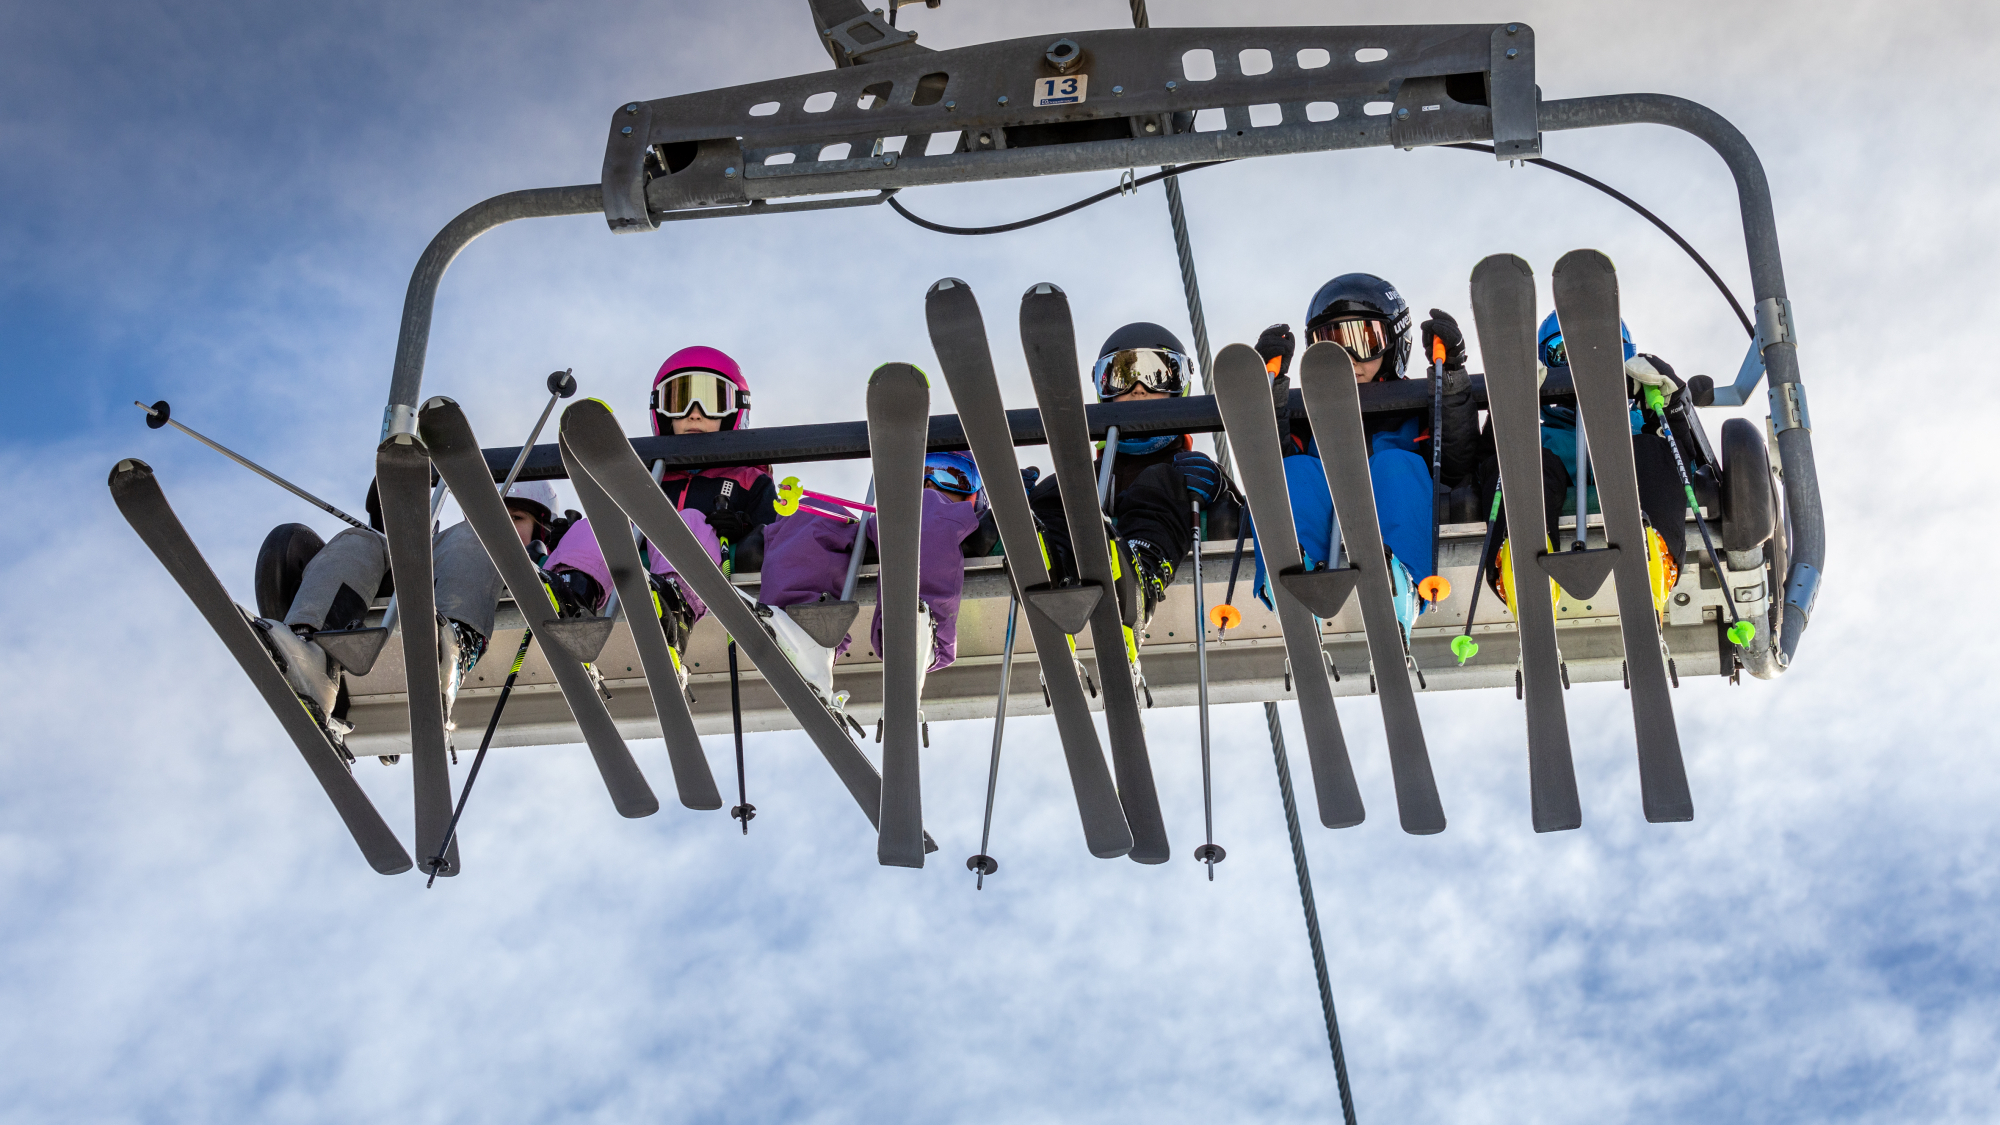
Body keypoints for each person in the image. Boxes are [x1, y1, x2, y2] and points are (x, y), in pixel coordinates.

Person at [255, 478, 570, 753]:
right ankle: (311, 653)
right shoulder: (458, 546)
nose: (506, 524)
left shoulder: (549, 561)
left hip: (489, 600)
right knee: (359, 540)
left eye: (516, 517)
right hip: (425, 593)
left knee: (481, 535)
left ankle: (453, 650)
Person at [1250, 273, 1478, 631]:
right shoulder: (1305, 416)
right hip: (1326, 513)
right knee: (1294, 472)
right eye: (1334, 345)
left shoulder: (1415, 405)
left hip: (1395, 509)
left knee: (1394, 464)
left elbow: (1456, 461)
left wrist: (1449, 377)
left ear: (1393, 342)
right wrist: (1270, 391)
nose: (1352, 358)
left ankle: (1399, 581)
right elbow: (1267, 463)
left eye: (1364, 340)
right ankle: (1296, 574)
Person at [540, 345, 774, 658]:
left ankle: (674, 605)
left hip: (704, 563)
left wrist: (743, 526)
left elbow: (775, 533)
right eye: (679, 400)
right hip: (636, 557)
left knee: (688, 520)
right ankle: (573, 590)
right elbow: (615, 527)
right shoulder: (643, 477)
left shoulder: (749, 478)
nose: (694, 411)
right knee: (596, 524)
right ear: (661, 411)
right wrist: (565, 541)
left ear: (735, 409)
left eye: (711, 401)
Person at [1470, 314, 1696, 615]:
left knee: (1650, 449)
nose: (1580, 366)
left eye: (1601, 353)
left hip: (1626, 474)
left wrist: (1672, 408)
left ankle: (1651, 563)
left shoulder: (1642, 425)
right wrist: (1508, 407)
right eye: (1563, 354)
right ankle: (1523, 571)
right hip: (1549, 478)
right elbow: (1482, 468)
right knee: (1524, 464)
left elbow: (1684, 467)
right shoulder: (1532, 432)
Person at [1027, 322, 1233, 639]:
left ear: (1180, 389)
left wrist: (1221, 489)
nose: (1138, 388)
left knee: (1160, 479)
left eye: (1155, 377)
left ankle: (1139, 577)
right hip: (1086, 516)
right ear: (1103, 391)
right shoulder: (1087, 476)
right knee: (1060, 490)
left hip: (1157, 530)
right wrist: (1016, 506)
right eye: (1122, 378)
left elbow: (1241, 523)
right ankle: (1054, 566)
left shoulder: (1186, 470)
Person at [755, 450, 995, 705]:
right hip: (882, 527)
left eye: (951, 474)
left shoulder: (943, 511)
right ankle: (804, 630)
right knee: (813, 513)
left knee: (925, 506)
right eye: (917, 475)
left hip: (921, 545)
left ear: (974, 498)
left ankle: (918, 622)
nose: (928, 482)